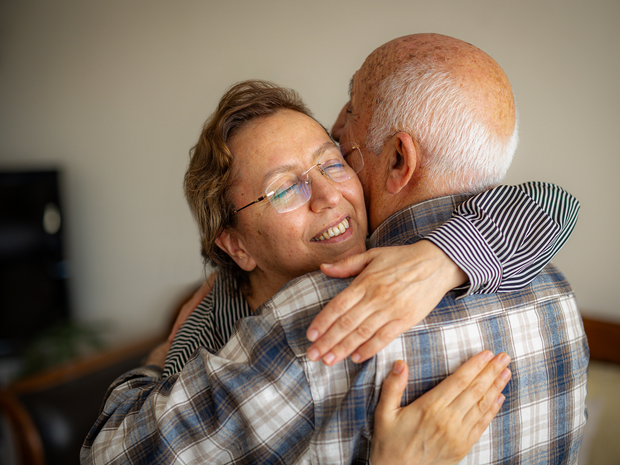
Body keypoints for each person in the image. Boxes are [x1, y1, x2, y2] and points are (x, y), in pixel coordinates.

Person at [81, 35, 586, 464]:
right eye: (284, 189)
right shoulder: (555, 294)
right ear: (234, 244)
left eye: (335, 159)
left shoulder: (313, 326)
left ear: (396, 161)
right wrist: (163, 358)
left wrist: (441, 259)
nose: (328, 194)